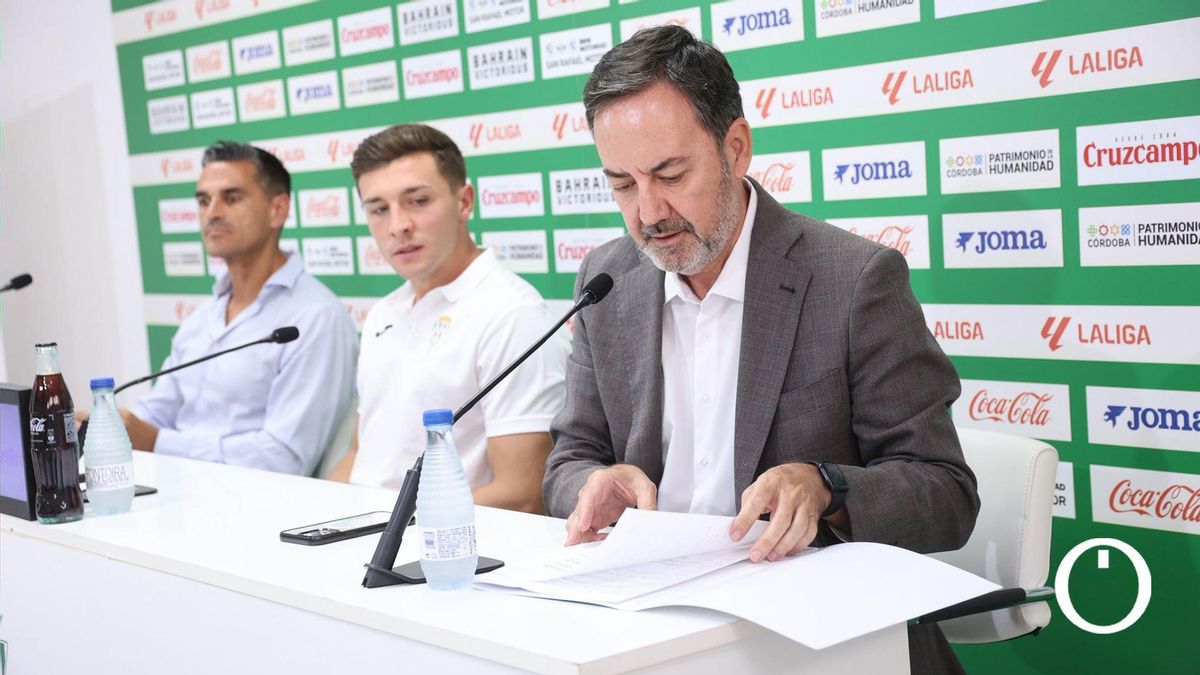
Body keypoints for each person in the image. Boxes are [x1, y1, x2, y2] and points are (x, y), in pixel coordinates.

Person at [542, 26, 980, 673]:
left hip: (822, 639)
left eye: (669, 173)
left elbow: (947, 493)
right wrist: (593, 483)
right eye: (622, 184)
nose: (649, 210)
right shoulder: (608, 280)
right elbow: (570, 458)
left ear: (736, 147)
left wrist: (826, 486)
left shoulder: (853, 280)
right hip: (652, 632)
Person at [328, 124, 567, 515]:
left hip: (446, 555)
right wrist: (317, 519)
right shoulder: (383, 313)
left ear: (464, 201)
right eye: (378, 209)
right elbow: (360, 455)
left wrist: (388, 526)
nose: (398, 225)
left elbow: (523, 493)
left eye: (418, 201)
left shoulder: (511, 314)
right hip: (362, 540)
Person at [123, 141, 358, 475]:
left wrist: (159, 442)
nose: (212, 212)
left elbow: (285, 458)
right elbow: (154, 415)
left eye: (231, 198)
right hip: (175, 493)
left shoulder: (316, 317)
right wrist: (111, 428)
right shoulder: (201, 319)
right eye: (204, 200)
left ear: (278, 210)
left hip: (255, 509)